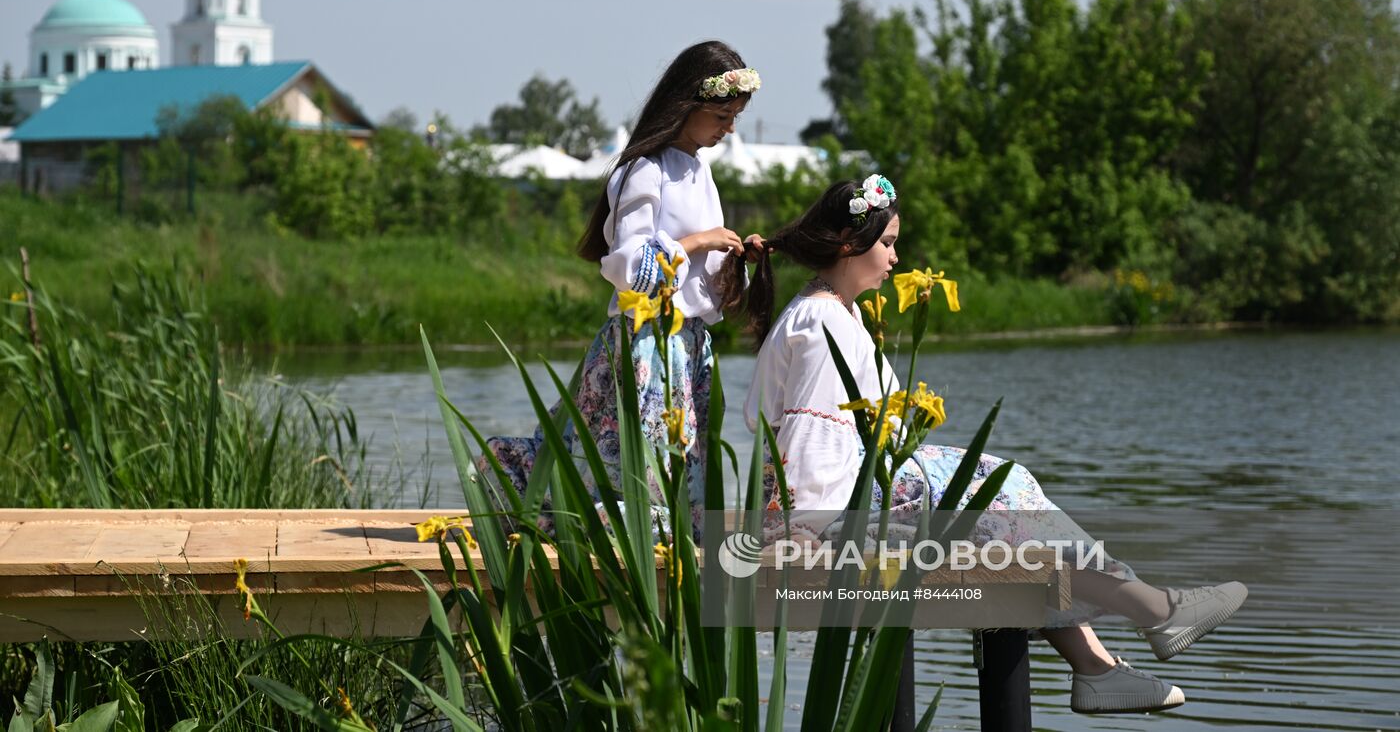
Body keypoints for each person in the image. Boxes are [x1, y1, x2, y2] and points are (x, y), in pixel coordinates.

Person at [742, 176, 1248, 715]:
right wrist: (809, 537)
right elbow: (806, 447)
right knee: (1006, 517)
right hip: (830, 510)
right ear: (849, 242)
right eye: (888, 242)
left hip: (856, 489)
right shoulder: (822, 321)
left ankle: (1106, 656)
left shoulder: (835, 312)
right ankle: (1137, 627)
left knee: (1010, 495)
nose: (896, 256)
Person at [481, 40, 763, 537]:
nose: (729, 128)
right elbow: (630, 266)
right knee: (635, 468)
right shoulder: (644, 169)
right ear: (687, 104)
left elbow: (698, 275)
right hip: (646, 343)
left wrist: (735, 258)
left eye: (734, 116)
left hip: (687, 343)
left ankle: (664, 557)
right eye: (722, 115)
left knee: (677, 466)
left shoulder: (700, 170)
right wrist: (700, 241)